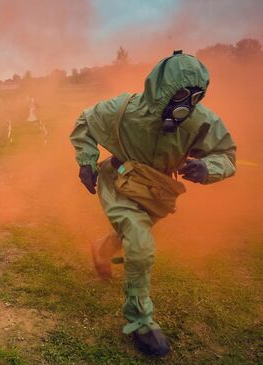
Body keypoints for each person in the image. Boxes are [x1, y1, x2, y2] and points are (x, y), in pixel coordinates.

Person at [69, 50, 236, 356]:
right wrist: (86, 162)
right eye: (182, 93)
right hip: (118, 179)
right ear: (162, 88)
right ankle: (141, 322)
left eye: (196, 96)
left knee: (131, 235)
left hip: (155, 191)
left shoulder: (200, 121)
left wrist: (207, 167)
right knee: (140, 240)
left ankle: (100, 250)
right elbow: (85, 121)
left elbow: (226, 154)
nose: (187, 104)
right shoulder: (124, 109)